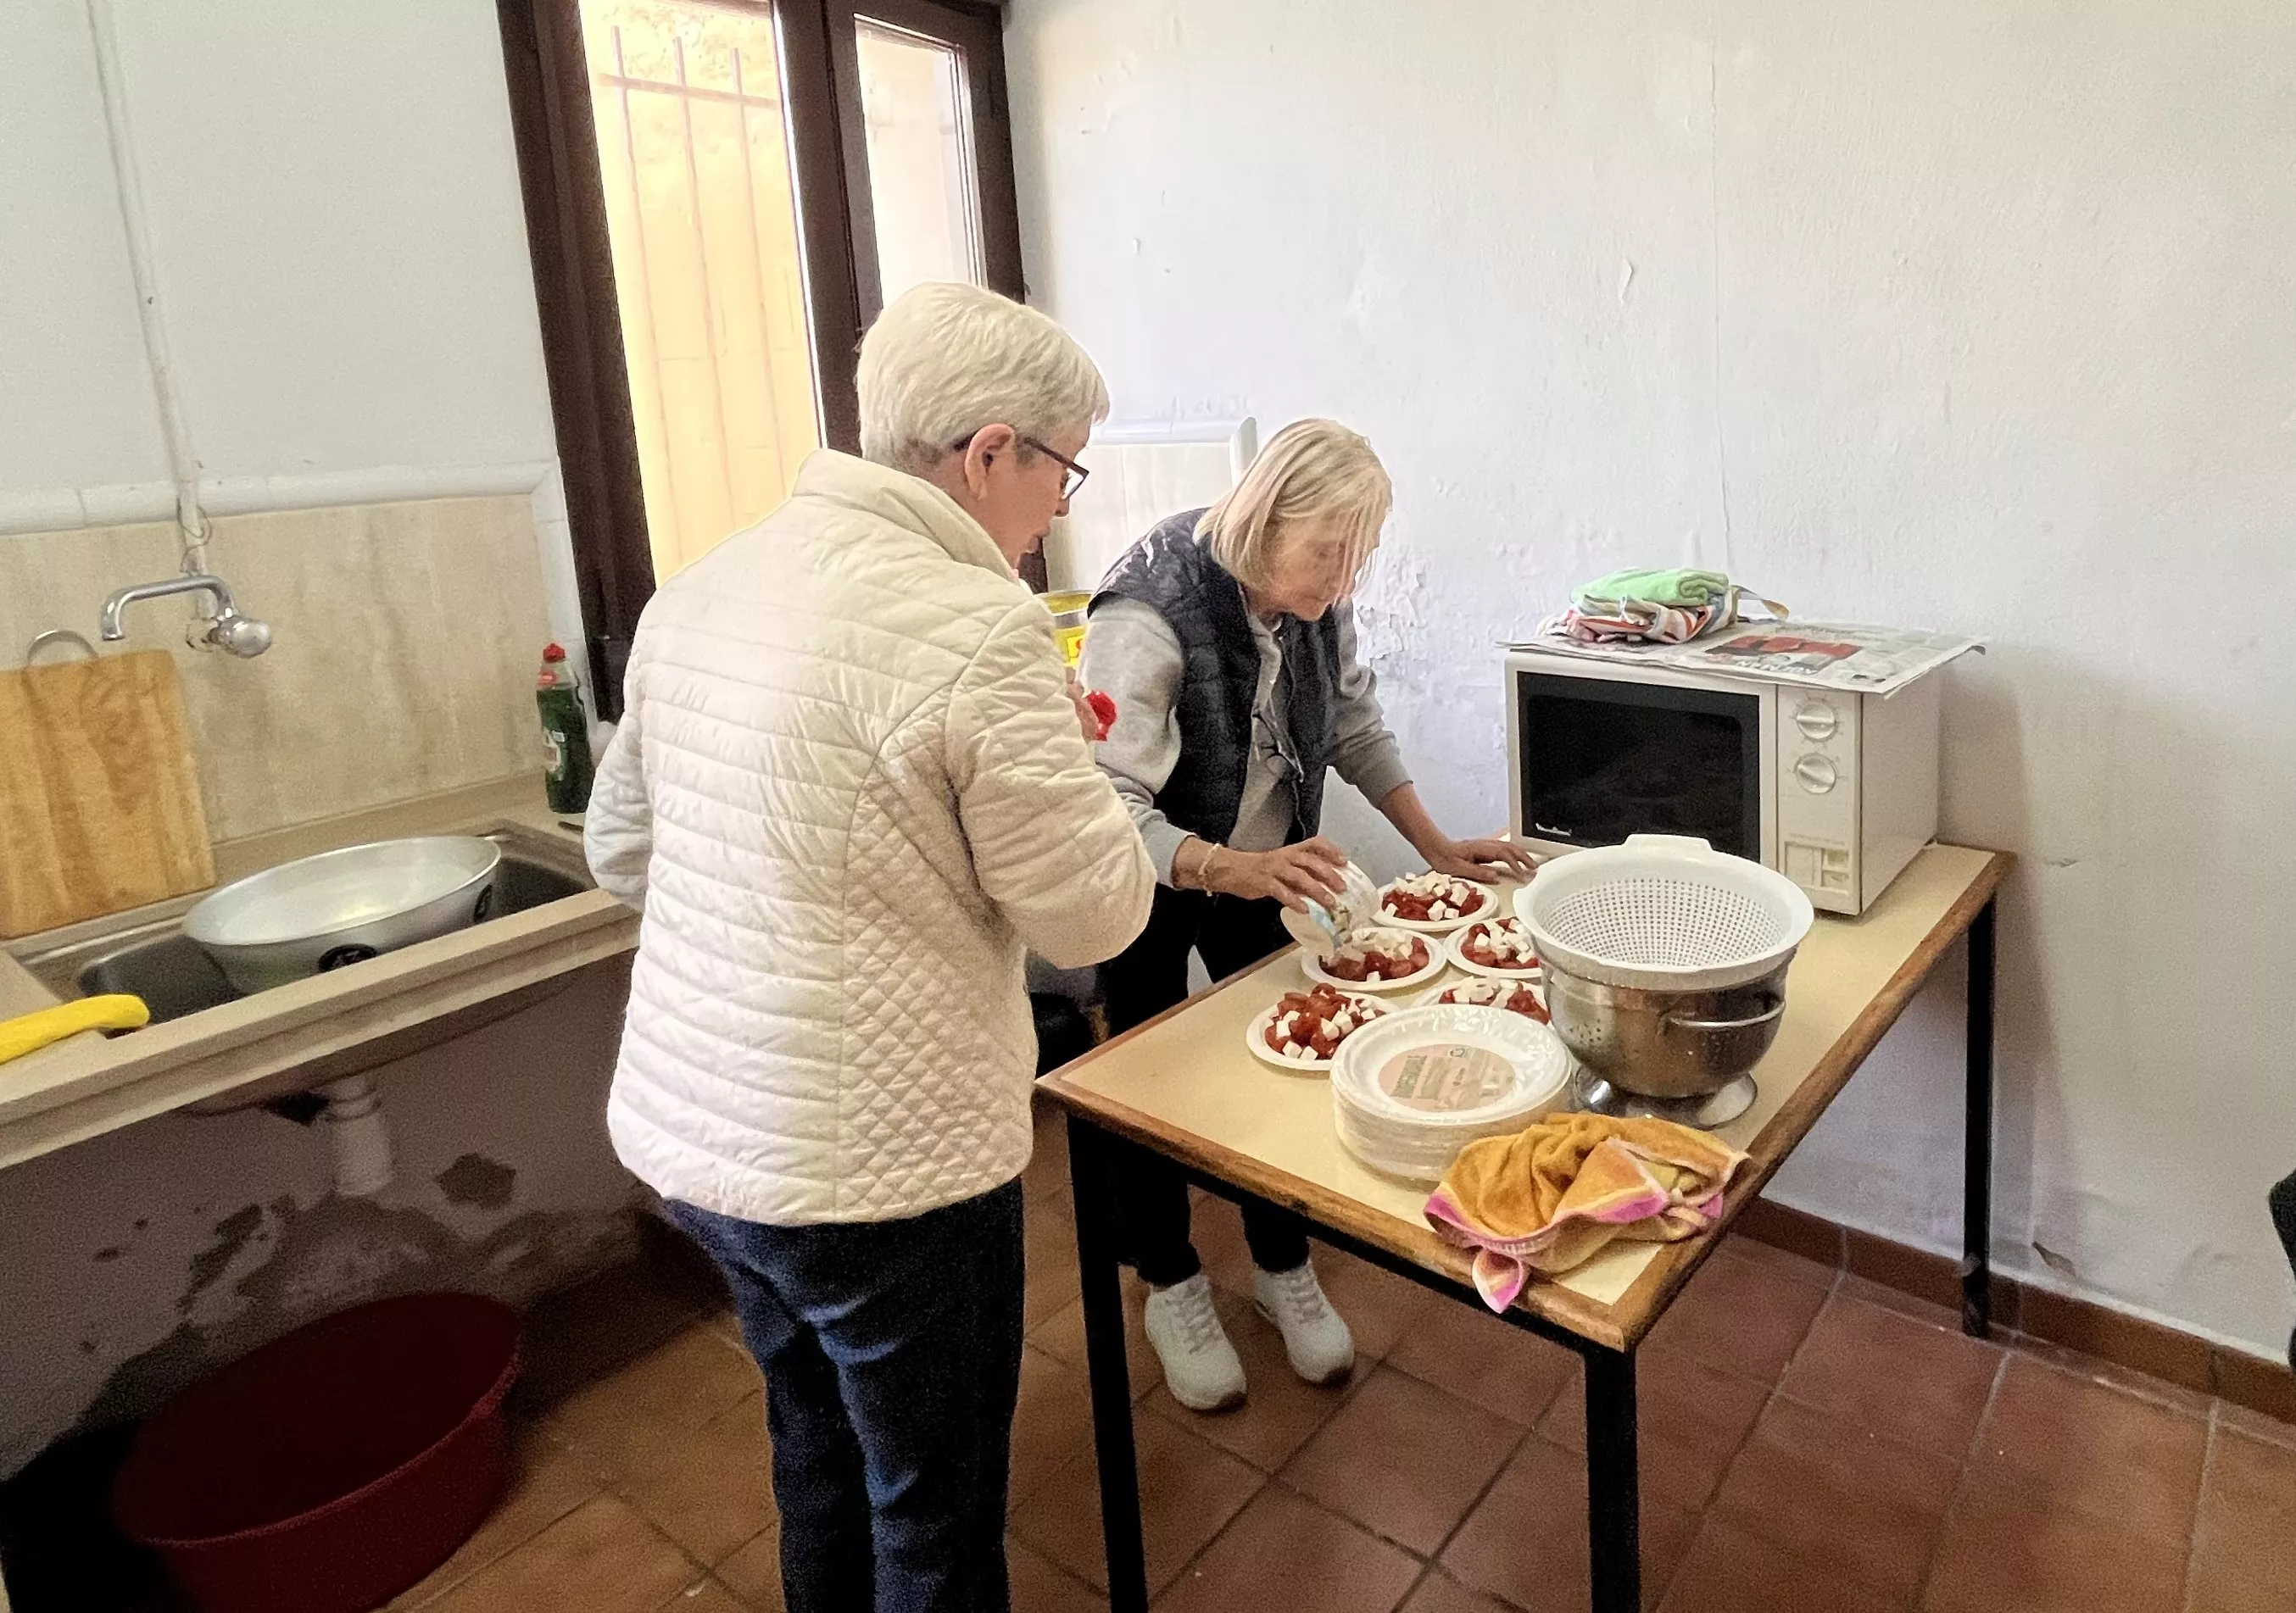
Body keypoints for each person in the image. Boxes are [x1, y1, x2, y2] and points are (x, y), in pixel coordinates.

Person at [585, 282, 1155, 1612]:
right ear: (990, 452)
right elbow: (1096, 918)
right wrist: (1080, 764)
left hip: (701, 1147)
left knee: (818, 1447)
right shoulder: (977, 628)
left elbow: (623, 853)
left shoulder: (702, 588)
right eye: (1063, 467)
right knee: (935, 1508)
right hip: (883, 1174)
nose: (1060, 505)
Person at [1080, 418, 1536, 1411]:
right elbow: (1105, 807)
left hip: (1264, 861)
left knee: (1278, 1062)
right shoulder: (1146, 610)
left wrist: (1437, 845)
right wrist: (1227, 867)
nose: (1341, 578)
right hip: (1150, 873)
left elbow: (1351, 724)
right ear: (1263, 517)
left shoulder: (1312, 604)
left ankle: (1282, 1264)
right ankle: (1169, 1282)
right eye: (1326, 552)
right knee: (1144, 1078)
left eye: (1357, 556)